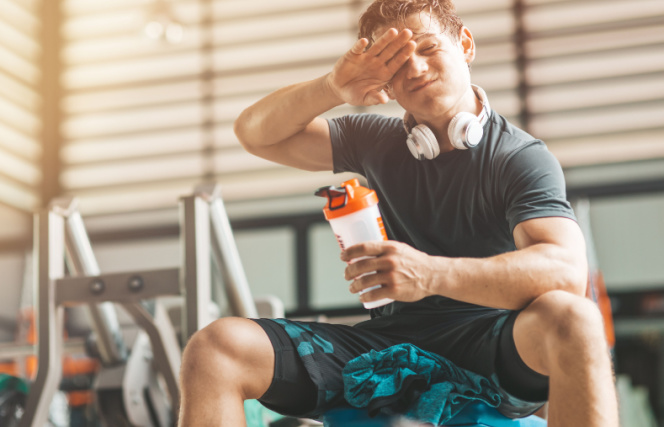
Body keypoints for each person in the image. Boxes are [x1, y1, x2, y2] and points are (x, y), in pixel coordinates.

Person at [178, 0, 618, 426]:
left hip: (493, 349)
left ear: (465, 44)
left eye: (428, 49)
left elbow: (565, 272)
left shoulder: (519, 157)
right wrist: (332, 87)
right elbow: (255, 134)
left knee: (575, 319)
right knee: (216, 348)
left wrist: (430, 275)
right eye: (398, 64)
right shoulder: (373, 139)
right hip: (385, 349)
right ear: (385, 82)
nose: (418, 69)